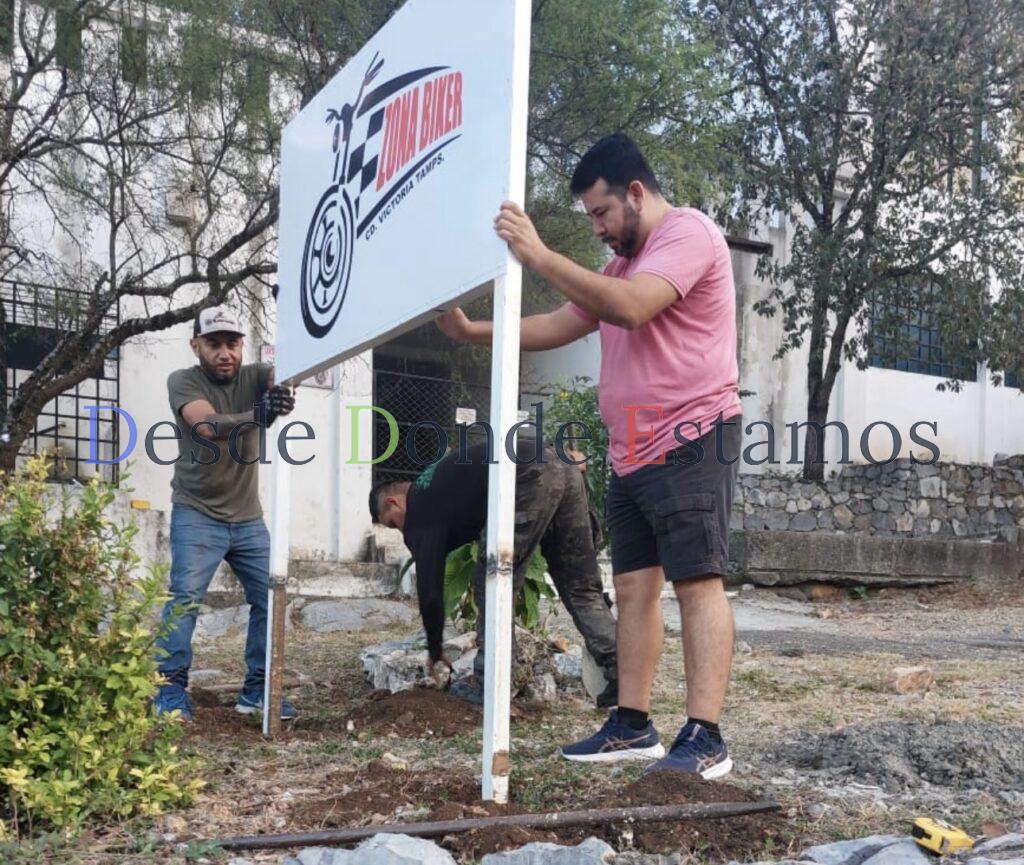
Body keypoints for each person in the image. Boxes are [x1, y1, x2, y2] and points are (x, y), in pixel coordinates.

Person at [436, 133, 742, 777]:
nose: (599, 228)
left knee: (695, 582)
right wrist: (472, 331)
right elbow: (559, 323)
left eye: (601, 213)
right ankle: (632, 724)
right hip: (633, 450)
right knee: (632, 589)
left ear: (635, 194)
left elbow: (631, 312)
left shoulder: (688, 235)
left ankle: (706, 736)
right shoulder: (618, 268)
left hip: (693, 435)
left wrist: (538, 253)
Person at [368, 436, 620, 709]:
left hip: (525, 475)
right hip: (562, 466)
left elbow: (429, 590)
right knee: (580, 586)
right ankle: (621, 673)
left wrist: (435, 650)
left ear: (394, 502)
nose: (402, 532)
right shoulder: (436, 483)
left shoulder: (419, 507)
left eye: (394, 524)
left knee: (494, 580)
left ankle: (491, 682)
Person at [151, 306, 297, 722]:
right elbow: (207, 426)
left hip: (248, 517)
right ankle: (169, 691)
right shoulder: (182, 381)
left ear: (241, 345)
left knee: (272, 596)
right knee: (184, 602)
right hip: (197, 512)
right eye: (213, 344)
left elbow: (277, 376)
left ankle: (258, 690)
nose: (224, 353)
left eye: (232, 343)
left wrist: (282, 387)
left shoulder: (254, 376)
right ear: (195, 345)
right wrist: (258, 414)